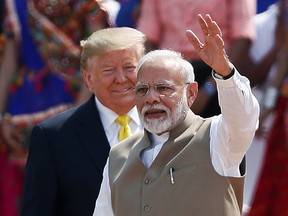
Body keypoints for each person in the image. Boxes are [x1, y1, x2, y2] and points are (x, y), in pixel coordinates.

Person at [93, 14, 260, 216]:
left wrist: (225, 73)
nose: (151, 98)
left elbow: (243, 119)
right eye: (142, 89)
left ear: (191, 93)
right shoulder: (119, 155)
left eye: (163, 88)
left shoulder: (216, 138)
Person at [21, 27, 146, 216]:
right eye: (108, 70)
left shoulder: (168, 126)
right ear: (89, 79)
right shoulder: (53, 137)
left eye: (129, 68)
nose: (121, 78)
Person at [0, 1, 110, 215]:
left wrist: (77, 115)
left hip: (73, 102)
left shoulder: (88, 4)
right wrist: (1, 116)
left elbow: (98, 59)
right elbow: (9, 65)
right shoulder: (18, 4)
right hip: (21, 111)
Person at [137, 0, 256, 118]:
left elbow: (242, 38)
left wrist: (209, 89)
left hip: (216, 76)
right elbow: (148, 38)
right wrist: (158, 86)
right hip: (167, 74)